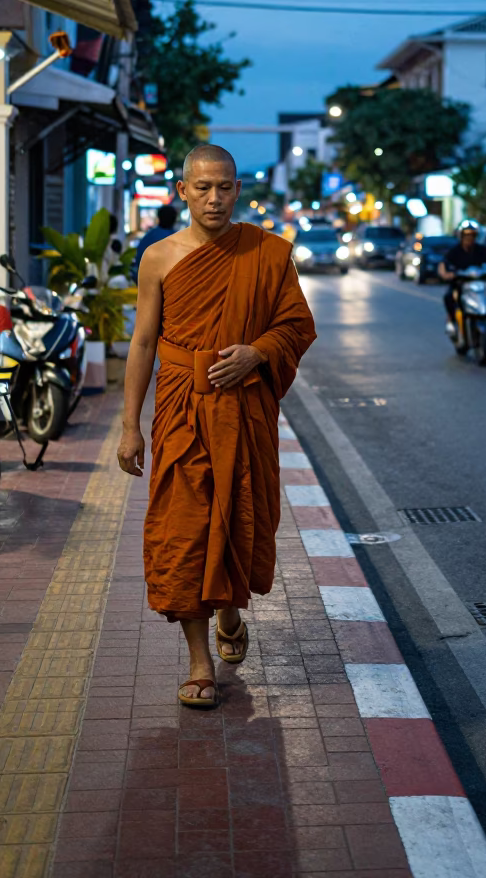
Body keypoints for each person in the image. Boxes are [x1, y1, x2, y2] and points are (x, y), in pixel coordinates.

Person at [116, 145, 316, 707]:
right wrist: (129, 425)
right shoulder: (158, 257)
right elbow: (143, 342)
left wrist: (257, 353)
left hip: (242, 408)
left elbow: (296, 325)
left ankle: (229, 609)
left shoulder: (268, 252)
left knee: (238, 518)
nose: (214, 198)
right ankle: (199, 662)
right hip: (180, 407)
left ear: (238, 189)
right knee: (183, 530)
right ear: (182, 191)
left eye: (225, 187)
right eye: (202, 187)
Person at [438, 220, 486, 336]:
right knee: (448, 296)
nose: (469, 238)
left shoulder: (481, 250)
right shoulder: (455, 251)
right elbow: (443, 264)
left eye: (472, 235)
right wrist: (445, 274)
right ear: (461, 236)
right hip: (460, 283)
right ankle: (452, 322)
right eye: (467, 235)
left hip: (479, 283)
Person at [132, 204, 178, 283]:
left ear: (158, 218)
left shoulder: (148, 237)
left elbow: (138, 261)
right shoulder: (177, 239)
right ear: (174, 219)